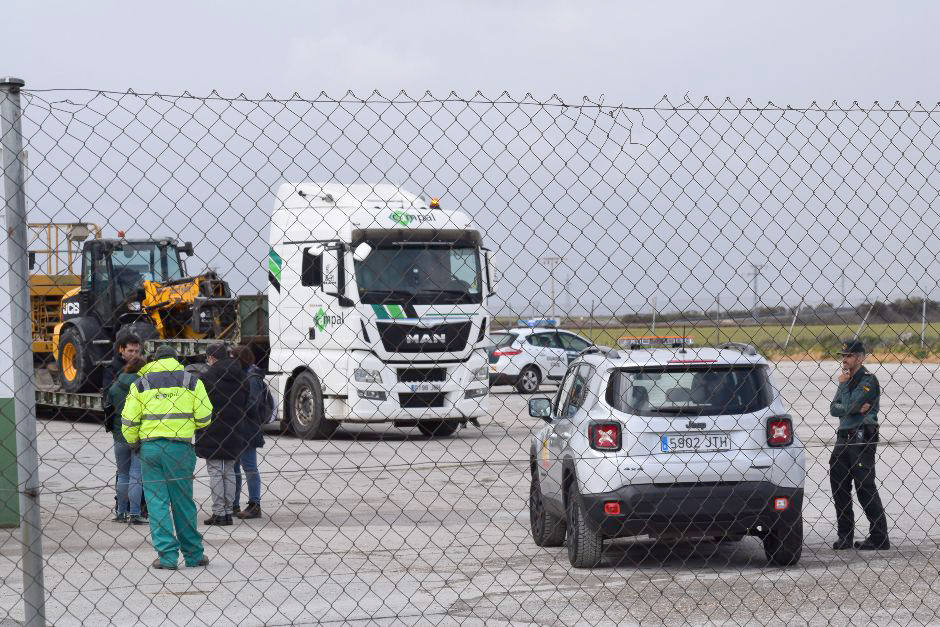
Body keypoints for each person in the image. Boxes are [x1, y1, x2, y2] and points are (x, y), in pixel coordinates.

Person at [122, 345, 213, 570]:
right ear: (176, 359)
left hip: (150, 449)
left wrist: (134, 442)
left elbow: (129, 420)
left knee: (156, 503)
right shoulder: (191, 381)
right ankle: (193, 555)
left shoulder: (140, 384)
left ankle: (167, 557)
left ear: (154, 359)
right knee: (183, 502)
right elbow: (205, 417)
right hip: (180, 449)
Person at [829, 339, 890, 551]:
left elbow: (849, 404)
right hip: (843, 436)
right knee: (839, 487)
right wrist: (850, 404)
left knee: (865, 486)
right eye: (843, 356)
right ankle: (845, 536)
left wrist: (846, 394)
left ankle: (880, 536)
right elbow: (835, 409)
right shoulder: (845, 380)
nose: (845, 360)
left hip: (862, 437)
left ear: (860, 357)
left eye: (849, 356)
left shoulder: (868, 380)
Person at [197, 345, 249, 526]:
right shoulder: (241, 375)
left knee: (215, 472)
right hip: (234, 428)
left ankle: (219, 512)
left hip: (212, 429)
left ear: (211, 358)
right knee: (229, 471)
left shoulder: (206, 377)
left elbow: (200, 403)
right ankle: (228, 511)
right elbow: (246, 401)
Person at [107, 356, 147, 525]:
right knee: (136, 475)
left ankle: (121, 512)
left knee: (122, 474)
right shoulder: (144, 386)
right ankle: (135, 513)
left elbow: (108, 411)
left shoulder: (114, 387)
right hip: (138, 435)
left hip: (119, 435)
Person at [233, 346, 265, 520]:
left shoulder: (252, 378)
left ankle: (254, 504)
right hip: (238, 428)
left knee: (249, 467)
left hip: (248, 429)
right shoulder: (244, 375)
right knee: (235, 467)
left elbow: (252, 404)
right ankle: (234, 503)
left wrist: (235, 408)